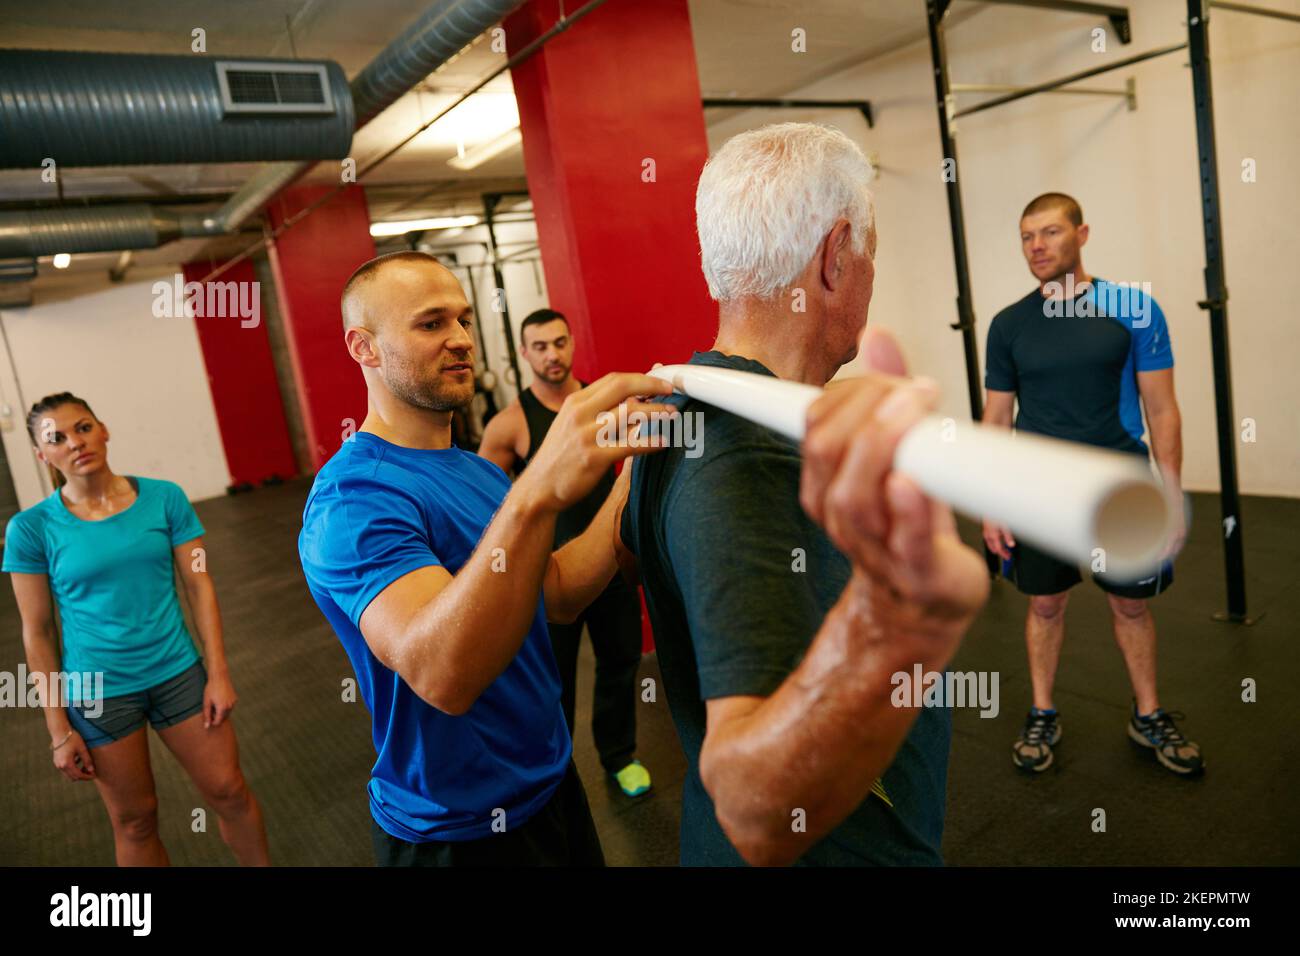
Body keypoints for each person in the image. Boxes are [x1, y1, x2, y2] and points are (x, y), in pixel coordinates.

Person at [620, 122, 989, 866]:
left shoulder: (685, 403)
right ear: (835, 257)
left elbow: (651, 560)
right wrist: (896, 619)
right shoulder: (744, 457)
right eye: (871, 256)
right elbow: (758, 811)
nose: (871, 275)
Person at [298, 251, 674, 866]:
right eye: (431, 324)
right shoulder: (353, 499)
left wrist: (632, 483)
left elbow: (554, 593)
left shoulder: (476, 471)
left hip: (551, 789)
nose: (461, 340)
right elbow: (445, 675)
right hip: (452, 831)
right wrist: (537, 488)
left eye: (464, 320)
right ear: (363, 347)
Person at [982, 192, 1201, 777]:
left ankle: (1147, 713)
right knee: (1045, 604)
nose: (1037, 246)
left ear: (1083, 233)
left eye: (1051, 232)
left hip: (1119, 487)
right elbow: (996, 421)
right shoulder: (1008, 325)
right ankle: (1042, 709)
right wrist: (991, 503)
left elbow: (1163, 410)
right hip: (1039, 488)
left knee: (1131, 606)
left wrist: (1172, 494)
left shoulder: (1133, 309)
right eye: (1027, 236)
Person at [3, 392, 269, 866]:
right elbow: (38, 632)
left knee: (229, 791)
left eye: (83, 427)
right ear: (43, 456)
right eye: (56, 438)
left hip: (178, 673)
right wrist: (58, 728)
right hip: (98, 692)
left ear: (103, 430)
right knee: (135, 820)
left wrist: (219, 673)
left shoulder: (165, 498)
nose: (75, 442)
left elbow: (199, 582)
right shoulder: (31, 529)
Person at [479, 307, 650, 798]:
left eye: (559, 342)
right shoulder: (509, 426)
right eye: (540, 346)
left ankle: (620, 757)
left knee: (621, 663)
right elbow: (489, 506)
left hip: (609, 562)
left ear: (572, 343)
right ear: (523, 354)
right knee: (551, 680)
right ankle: (555, 770)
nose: (552, 354)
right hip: (549, 574)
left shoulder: (604, 404)